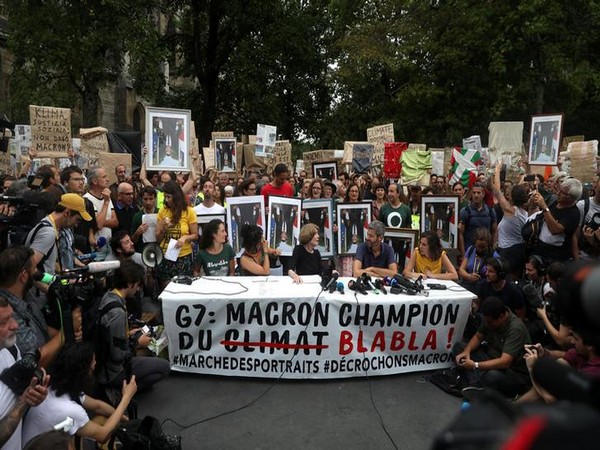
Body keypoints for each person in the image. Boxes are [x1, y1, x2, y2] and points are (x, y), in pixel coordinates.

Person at [21, 343, 137, 446]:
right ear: (83, 372)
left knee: (99, 419)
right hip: (42, 445)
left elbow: (98, 406)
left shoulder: (58, 388)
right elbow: (103, 435)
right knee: (96, 427)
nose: (95, 364)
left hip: (50, 437)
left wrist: (126, 420)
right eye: (92, 363)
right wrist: (126, 398)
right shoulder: (69, 410)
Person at [0, 246, 83, 367]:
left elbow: (40, 331)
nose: (37, 272)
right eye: (34, 268)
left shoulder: (26, 297)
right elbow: (34, 361)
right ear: (23, 276)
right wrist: (66, 331)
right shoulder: (7, 313)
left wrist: (69, 333)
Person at [95, 260, 170, 392]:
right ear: (129, 284)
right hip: (113, 371)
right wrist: (137, 342)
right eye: (137, 285)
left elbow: (110, 336)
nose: (138, 289)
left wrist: (128, 334)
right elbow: (117, 356)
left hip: (106, 362)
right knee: (163, 367)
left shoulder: (109, 296)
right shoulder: (117, 313)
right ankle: (123, 391)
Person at [454, 296, 531, 398]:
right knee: (459, 347)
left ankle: (474, 383)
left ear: (501, 316)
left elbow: (505, 362)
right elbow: (478, 336)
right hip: (491, 357)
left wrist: (475, 365)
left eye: (490, 322)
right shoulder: (490, 319)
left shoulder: (515, 328)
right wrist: (466, 352)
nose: (488, 324)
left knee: (492, 376)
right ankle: (477, 384)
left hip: (512, 372)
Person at [0, 295, 49, 450]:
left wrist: (33, 393)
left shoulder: (11, 350)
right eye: (4, 322)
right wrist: (23, 402)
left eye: (12, 317)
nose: (15, 325)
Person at [518, 326, 600, 404]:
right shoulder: (580, 353)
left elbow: (551, 400)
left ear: (590, 346)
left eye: (576, 339)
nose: (572, 341)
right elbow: (562, 358)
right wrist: (544, 353)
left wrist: (532, 368)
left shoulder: (593, 373)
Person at [155, 181, 198, 288]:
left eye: (169, 197)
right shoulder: (163, 211)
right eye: (165, 197)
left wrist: (185, 237)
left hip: (183, 256)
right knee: (165, 287)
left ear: (176, 196)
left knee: (182, 287)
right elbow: (157, 238)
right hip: (165, 255)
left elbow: (195, 235)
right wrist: (164, 229)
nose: (167, 200)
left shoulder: (189, 211)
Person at [530, 177, 581, 262]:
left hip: (556, 259)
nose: (557, 193)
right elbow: (542, 217)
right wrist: (534, 204)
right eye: (559, 190)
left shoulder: (573, 213)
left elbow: (555, 229)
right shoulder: (557, 203)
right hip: (540, 252)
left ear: (570, 198)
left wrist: (544, 207)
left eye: (562, 193)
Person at [492, 164, 529, 278]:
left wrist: (497, 170)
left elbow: (497, 190)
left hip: (509, 252)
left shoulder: (510, 211)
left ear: (511, 198)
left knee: (507, 279)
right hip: (518, 250)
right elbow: (518, 192)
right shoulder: (524, 212)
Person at [458, 182, 497, 255]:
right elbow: (460, 234)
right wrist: (464, 254)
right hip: (470, 251)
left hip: (486, 252)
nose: (476, 195)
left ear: (483, 194)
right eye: (474, 193)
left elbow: (494, 231)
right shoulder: (465, 211)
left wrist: (494, 248)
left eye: (478, 193)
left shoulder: (490, 210)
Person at [84, 167, 119, 248]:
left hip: (109, 245)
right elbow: (98, 225)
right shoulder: (87, 199)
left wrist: (100, 222)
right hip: (96, 246)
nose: (107, 180)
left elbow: (115, 222)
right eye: (104, 177)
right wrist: (106, 203)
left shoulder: (106, 196)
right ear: (94, 181)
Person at [457, 227, 496, 293]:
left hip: (484, 288)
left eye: (483, 247)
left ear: (488, 245)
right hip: (468, 284)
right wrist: (469, 277)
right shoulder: (471, 249)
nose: (480, 250)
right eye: (478, 246)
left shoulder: (493, 255)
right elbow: (461, 270)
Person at [130, 186, 158, 253]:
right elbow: (132, 240)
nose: (148, 202)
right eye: (145, 199)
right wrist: (138, 233)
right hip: (142, 251)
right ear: (141, 199)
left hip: (158, 250)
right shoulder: (137, 216)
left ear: (155, 199)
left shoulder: (161, 214)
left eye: (151, 199)